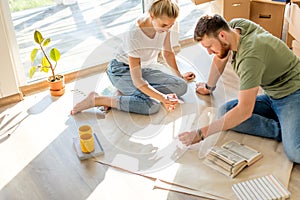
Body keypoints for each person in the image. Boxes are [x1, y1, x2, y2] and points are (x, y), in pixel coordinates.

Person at [178, 14, 300, 163]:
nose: (209, 52)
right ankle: (285, 127)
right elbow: (220, 57)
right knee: (225, 112)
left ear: (222, 35)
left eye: (209, 46)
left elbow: (244, 111)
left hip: (293, 93)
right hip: (273, 94)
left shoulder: (251, 58)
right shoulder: (236, 28)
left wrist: (200, 134)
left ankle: (290, 132)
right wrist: (209, 87)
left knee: (295, 152)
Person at [71, 0, 195, 116]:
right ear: (152, 16)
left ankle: (131, 93)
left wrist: (179, 76)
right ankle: (98, 99)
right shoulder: (135, 34)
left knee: (181, 85)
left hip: (142, 69)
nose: (168, 29)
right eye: (164, 25)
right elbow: (138, 80)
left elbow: (167, 53)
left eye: (171, 25)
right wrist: (162, 97)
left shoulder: (164, 26)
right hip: (121, 71)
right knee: (152, 105)